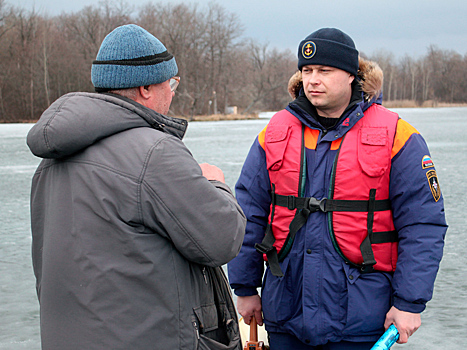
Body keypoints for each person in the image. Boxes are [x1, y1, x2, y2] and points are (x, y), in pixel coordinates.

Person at [27, 24, 246, 350]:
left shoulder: (50, 162)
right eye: (171, 83)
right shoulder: (154, 152)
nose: (173, 92)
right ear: (146, 88)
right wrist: (214, 183)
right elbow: (221, 239)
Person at [228, 27, 447, 349]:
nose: (313, 80)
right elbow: (247, 214)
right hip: (285, 310)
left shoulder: (398, 136)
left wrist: (409, 303)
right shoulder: (273, 134)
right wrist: (245, 288)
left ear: (350, 76)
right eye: (307, 71)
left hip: (362, 315)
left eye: (324, 71)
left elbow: (423, 226)